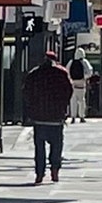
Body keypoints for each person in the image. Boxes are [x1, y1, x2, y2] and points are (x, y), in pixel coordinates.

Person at [23, 50, 74, 185]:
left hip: (39, 117)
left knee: (39, 148)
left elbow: (27, 92)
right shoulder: (62, 73)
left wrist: (31, 110)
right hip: (56, 117)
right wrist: (63, 107)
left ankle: (39, 174)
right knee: (56, 146)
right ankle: (55, 170)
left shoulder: (34, 74)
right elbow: (69, 91)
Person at [67, 48, 93, 123]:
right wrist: (84, 77)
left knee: (73, 101)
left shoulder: (71, 62)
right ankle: (82, 116)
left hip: (73, 84)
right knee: (81, 101)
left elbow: (67, 71)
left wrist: (70, 79)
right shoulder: (84, 62)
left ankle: (73, 117)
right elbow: (90, 72)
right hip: (81, 83)